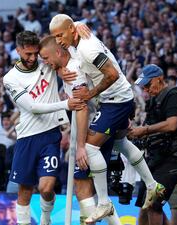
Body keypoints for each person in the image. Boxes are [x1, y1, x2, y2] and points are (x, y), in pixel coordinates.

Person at [49, 14, 163, 223]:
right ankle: (152, 185)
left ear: (71, 30)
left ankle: (104, 203)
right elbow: (58, 46)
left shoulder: (87, 48)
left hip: (116, 101)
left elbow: (112, 74)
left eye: (60, 35)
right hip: (120, 99)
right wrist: (58, 67)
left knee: (90, 148)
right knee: (121, 143)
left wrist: (90, 94)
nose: (58, 40)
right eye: (55, 37)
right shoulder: (75, 39)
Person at [2, 31, 84, 225]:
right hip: (27, 137)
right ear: (18, 50)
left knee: (46, 188)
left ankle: (45, 220)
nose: (32, 58)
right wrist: (66, 105)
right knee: (25, 190)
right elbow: (32, 107)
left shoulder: (45, 61)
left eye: (35, 53)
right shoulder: (11, 78)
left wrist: (60, 69)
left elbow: (62, 40)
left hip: (50, 135)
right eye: (27, 54)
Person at [39, 35, 121, 224]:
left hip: (92, 130)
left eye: (46, 58)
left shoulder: (73, 71)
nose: (44, 62)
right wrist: (59, 69)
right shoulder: (70, 60)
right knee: (90, 189)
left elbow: (81, 107)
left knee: (84, 186)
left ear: (58, 52)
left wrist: (81, 146)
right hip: (104, 123)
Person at [128, 64, 177, 225]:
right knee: (147, 204)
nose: (146, 90)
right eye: (143, 87)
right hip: (157, 156)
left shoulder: (174, 94)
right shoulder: (154, 101)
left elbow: (172, 124)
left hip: (174, 157)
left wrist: (144, 130)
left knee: (154, 202)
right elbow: (147, 128)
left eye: (148, 85)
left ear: (159, 79)